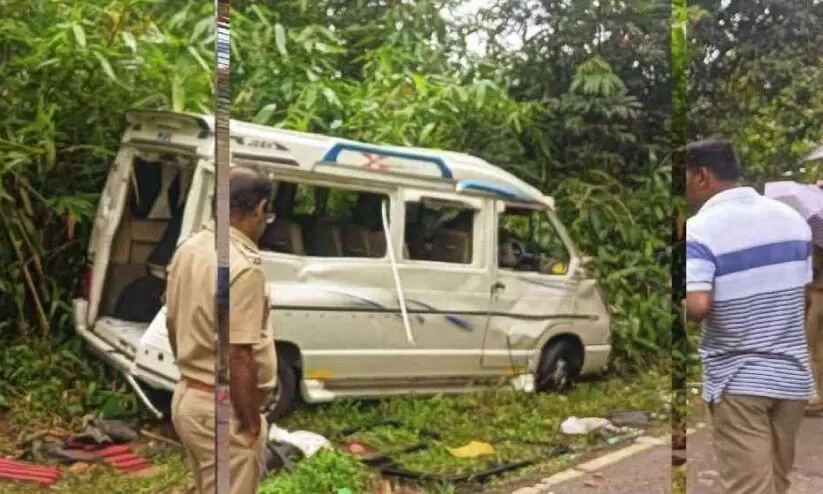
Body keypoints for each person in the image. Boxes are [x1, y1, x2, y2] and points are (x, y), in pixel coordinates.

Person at [685, 139, 814, 494]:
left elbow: (697, 305)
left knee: (749, 488)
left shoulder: (701, 229)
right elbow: (802, 297)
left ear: (701, 176)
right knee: (774, 481)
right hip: (792, 379)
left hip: (740, 379)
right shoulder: (793, 221)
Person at [165, 166, 277, 494]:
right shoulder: (243, 267)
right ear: (259, 209)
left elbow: (173, 322)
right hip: (223, 408)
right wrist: (251, 423)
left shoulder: (191, 248)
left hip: (189, 397)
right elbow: (238, 354)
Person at [805, 244, 823, 414]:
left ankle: (818, 396)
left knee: (813, 345)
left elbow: (813, 270)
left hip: (819, 294)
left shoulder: (816, 243)